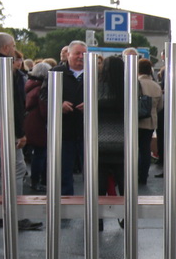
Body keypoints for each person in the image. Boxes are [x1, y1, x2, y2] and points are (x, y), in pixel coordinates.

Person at [0, 33, 40, 229]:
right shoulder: (3, 67)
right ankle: (16, 216)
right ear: (5, 48)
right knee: (17, 168)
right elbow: (12, 103)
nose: (14, 49)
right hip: (3, 125)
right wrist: (19, 132)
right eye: (13, 46)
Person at [53, 41, 87, 195]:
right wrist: (59, 104)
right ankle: (65, 202)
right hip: (64, 130)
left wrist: (92, 104)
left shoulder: (94, 74)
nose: (81, 57)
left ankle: (92, 203)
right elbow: (44, 96)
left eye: (83, 53)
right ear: (68, 55)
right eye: (77, 53)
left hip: (87, 131)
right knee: (64, 171)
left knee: (91, 171)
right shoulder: (56, 73)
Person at [95, 55, 127, 197]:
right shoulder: (129, 87)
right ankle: (128, 210)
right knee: (125, 183)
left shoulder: (97, 87)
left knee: (99, 185)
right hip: (124, 142)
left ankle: (98, 211)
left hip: (100, 141)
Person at [22, 62, 50, 191]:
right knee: (40, 153)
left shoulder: (29, 84)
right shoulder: (42, 88)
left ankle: (32, 178)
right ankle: (36, 181)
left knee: (33, 152)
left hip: (29, 121)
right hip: (38, 123)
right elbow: (44, 110)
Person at [136, 56, 162, 186]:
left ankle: (134, 173)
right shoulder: (156, 86)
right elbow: (160, 106)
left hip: (136, 121)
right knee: (145, 149)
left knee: (134, 149)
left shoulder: (135, 83)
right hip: (151, 121)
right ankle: (143, 176)